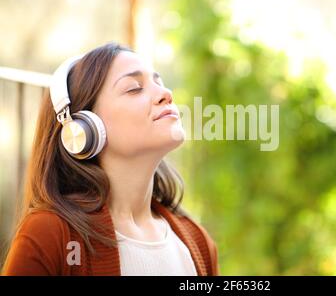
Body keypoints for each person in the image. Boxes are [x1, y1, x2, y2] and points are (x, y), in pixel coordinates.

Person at [2, 42, 219, 276]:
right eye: (134, 88)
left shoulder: (197, 242)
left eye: (159, 82)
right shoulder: (51, 236)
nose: (165, 94)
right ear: (83, 129)